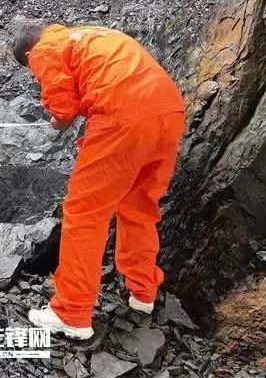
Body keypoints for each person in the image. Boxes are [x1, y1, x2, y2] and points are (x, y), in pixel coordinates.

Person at [12, 21, 186, 340]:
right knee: (140, 207)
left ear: (28, 53)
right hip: (169, 113)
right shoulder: (95, 36)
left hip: (122, 117)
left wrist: (57, 120)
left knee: (84, 214)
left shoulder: (44, 49)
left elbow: (64, 111)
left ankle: (71, 313)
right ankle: (143, 292)